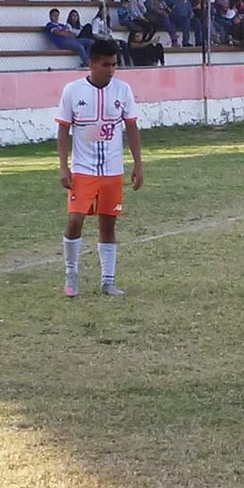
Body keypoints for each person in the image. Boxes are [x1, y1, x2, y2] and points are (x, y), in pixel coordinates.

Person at [56, 40, 144, 298]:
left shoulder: (122, 90)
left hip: (112, 170)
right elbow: (62, 129)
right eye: (106, 64)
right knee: (75, 220)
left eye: (114, 64)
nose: (111, 69)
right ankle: (71, 275)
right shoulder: (73, 91)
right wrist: (63, 166)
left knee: (108, 224)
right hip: (83, 169)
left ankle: (108, 280)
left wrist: (138, 164)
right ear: (91, 63)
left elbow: (131, 127)